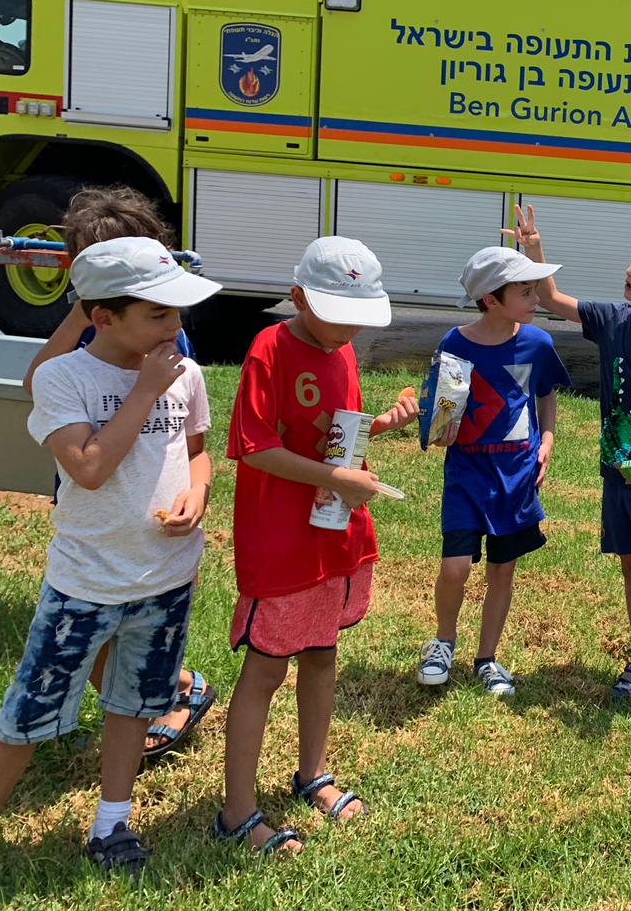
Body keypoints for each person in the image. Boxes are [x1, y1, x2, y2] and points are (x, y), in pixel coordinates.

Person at [0, 237, 221, 874]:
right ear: (103, 316)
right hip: (86, 586)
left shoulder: (185, 375)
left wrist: (198, 492)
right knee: (28, 713)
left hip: (166, 579)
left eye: (177, 311)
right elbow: (88, 468)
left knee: (133, 706)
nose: (174, 326)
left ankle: (112, 823)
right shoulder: (63, 378)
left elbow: (196, 451)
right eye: (158, 314)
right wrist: (144, 392)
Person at [216, 238, 419, 857]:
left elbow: (336, 436)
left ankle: (313, 773)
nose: (351, 329)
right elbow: (254, 446)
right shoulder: (270, 348)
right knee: (265, 670)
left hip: (333, 534)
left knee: (323, 655)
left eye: (359, 316)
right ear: (299, 297)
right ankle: (237, 810)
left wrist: (378, 425)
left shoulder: (344, 350)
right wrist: (335, 477)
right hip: (282, 541)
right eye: (339, 315)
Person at [22, 185, 215, 763]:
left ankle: (162, 696)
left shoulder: (157, 328)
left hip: (144, 488)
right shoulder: (94, 318)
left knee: (136, 613)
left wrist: (197, 488)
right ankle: (157, 693)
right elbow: (38, 381)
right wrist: (78, 314)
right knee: (95, 607)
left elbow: (189, 437)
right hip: (87, 466)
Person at [505, 206, 631, 735]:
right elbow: (552, 299)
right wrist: (534, 249)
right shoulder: (613, 321)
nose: (630, 271)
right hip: (617, 477)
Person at [414, 246, 571, 699]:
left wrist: (547, 440)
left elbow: (545, 393)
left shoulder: (537, 343)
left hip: (517, 477)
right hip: (466, 475)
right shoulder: (455, 343)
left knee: (503, 570)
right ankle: (443, 643)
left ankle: (487, 658)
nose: (537, 298)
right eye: (526, 292)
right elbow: (442, 411)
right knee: (455, 567)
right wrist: (440, 431)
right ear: (491, 299)